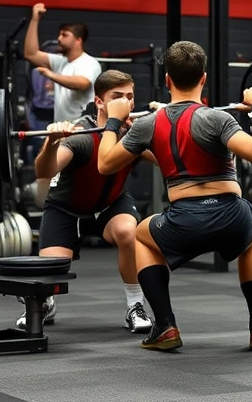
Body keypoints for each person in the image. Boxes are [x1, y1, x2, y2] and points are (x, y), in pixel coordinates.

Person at [97, 41, 252, 352]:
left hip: (184, 222)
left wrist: (114, 121)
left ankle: (165, 326)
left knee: (141, 235)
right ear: (203, 78)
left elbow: (105, 163)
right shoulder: (217, 119)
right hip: (231, 215)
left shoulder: (147, 124)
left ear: (167, 80)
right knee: (251, 236)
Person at [18, 70, 155, 333]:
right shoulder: (81, 135)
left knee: (129, 231)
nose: (124, 103)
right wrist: (51, 143)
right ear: (99, 102)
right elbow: (44, 172)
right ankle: (44, 303)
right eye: (117, 97)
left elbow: (169, 160)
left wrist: (170, 122)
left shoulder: (133, 133)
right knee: (51, 271)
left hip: (110, 205)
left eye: (129, 97)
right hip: (65, 209)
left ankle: (135, 305)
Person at [24, 3, 102, 123]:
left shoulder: (89, 63)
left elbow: (82, 83)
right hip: (61, 126)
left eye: (64, 35)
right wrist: (35, 19)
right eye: (59, 34)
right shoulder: (60, 61)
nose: (59, 39)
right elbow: (31, 54)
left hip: (81, 128)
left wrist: (51, 75)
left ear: (78, 40)